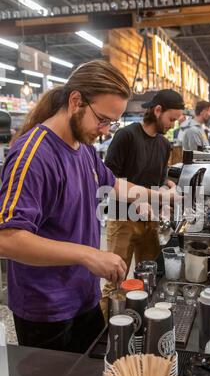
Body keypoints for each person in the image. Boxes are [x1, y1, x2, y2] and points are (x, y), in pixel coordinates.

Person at [0, 60, 174, 353]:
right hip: (47, 311)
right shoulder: (34, 156)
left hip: (84, 298)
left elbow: (115, 185)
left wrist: (160, 196)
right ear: (76, 101)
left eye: (112, 123)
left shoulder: (84, 151)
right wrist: (88, 255)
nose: (106, 131)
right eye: (102, 119)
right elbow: (7, 239)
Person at [103, 89, 184, 302]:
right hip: (122, 219)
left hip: (150, 222)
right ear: (157, 111)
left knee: (150, 279)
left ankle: (141, 325)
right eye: (171, 119)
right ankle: (108, 333)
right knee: (115, 283)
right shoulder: (126, 136)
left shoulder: (164, 144)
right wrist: (139, 201)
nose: (173, 125)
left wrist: (169, 189)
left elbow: (159, 180)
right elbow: (109, 181)